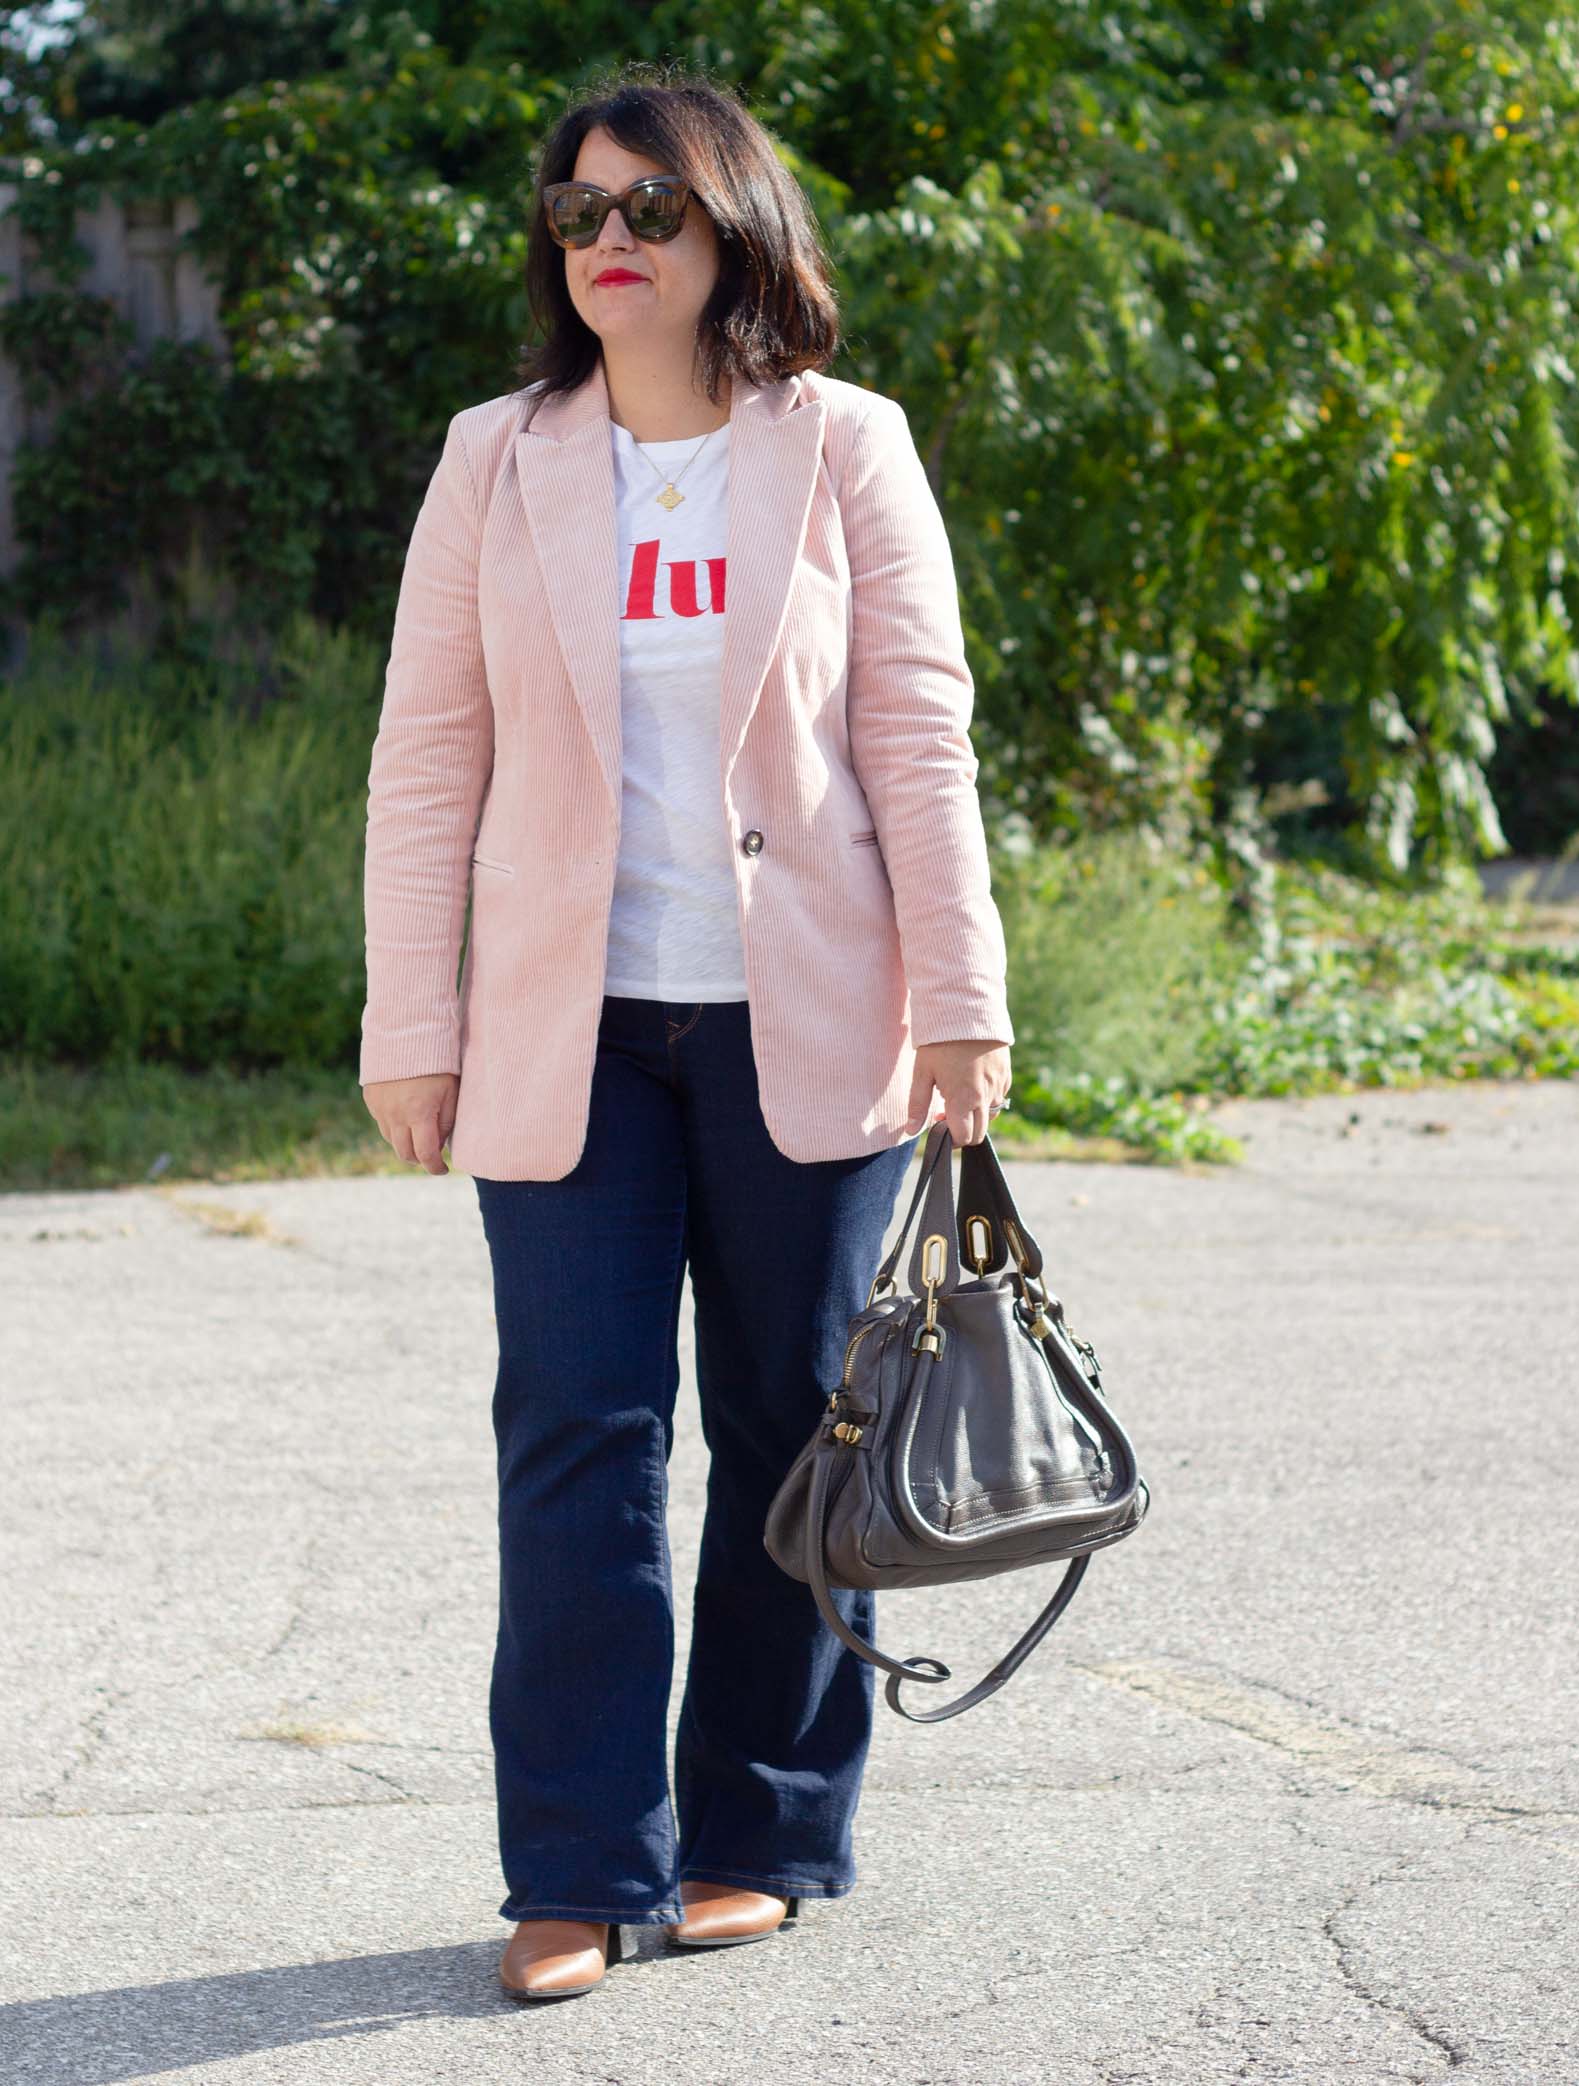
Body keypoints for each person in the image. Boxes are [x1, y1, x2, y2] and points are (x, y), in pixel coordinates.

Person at [358, 65, 1014, 2002]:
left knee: (791, 1427)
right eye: (576, 214)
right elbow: (424, 760)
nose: (609, 242)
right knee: (575, 1433)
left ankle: (758, 1826)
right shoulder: (497, 455)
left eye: (647, 208)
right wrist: (417, 1020)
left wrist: (962, 1002)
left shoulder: (842, 447)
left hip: (801, 1022)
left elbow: (914, 735)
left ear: (733, 224)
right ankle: (574, 1862)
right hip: (569, 1033)